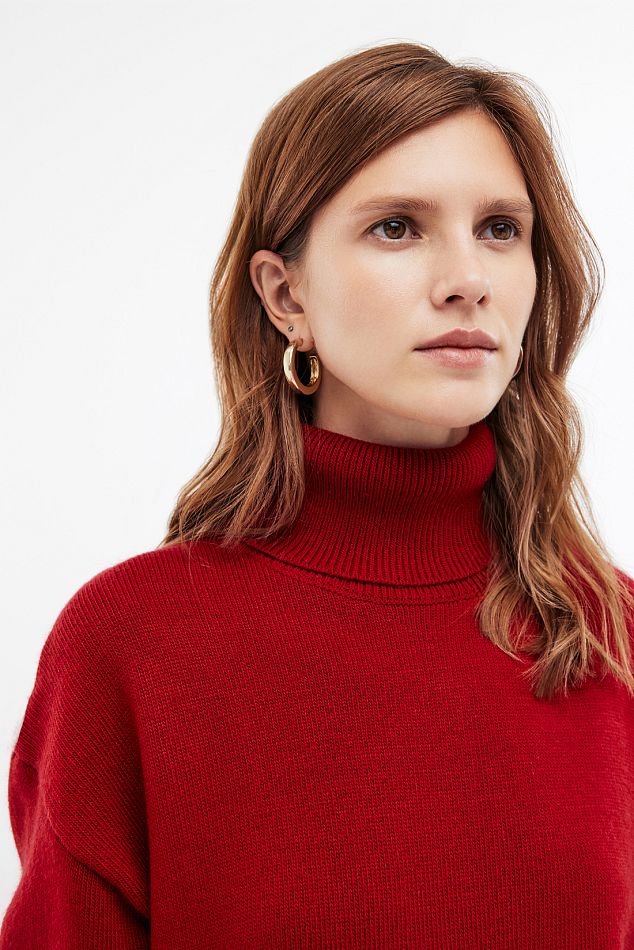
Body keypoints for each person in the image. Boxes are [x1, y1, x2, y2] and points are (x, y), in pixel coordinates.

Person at [2, 40, 634, 949]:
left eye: (501, 228)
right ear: (285, 295)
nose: (468, 281)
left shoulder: (610, 637)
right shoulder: (131, 646)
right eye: (398, 227)